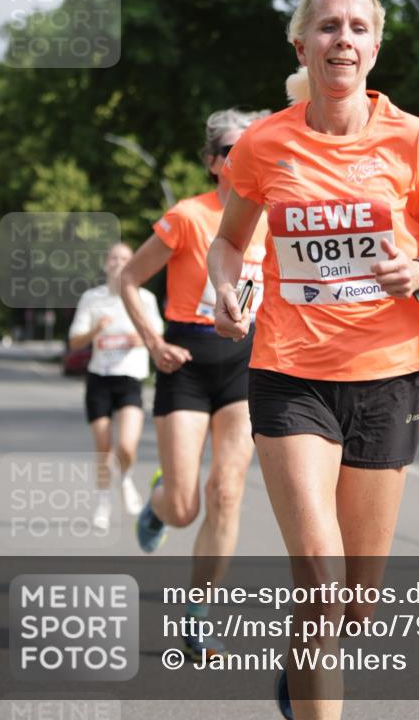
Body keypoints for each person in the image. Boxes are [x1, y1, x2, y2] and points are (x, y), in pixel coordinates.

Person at [207, 0, 419, 719]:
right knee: (320, 579)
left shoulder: (413, 140)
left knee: (354, 605)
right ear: (300, 45)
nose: (343, 37)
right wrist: (228, 290)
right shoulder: (264, 146)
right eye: (327, 25)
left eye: (358, 27)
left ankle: (299, 677)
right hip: (289, 375)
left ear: (373, 49)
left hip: (386, 376)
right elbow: (231, 242)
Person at [120, 108, 268, 659]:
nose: (242, 157)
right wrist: (153, 342)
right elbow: (129, 280)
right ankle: (159, 505)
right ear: (213, 163)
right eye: (231, 151)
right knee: (186, 506)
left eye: (251, 147)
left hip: (245, 366)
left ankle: (200, 607)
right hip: (185, 363)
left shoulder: (274, 219)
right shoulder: (186, 217)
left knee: (226, 492)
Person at [68, 243, 162, 529]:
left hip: (130, 378)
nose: (118, 262)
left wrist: (143, 338)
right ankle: (103, 503)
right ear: (106, 264)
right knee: (103, 447)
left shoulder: (145, 298)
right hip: (99, 378)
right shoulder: (92, 299)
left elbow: (159, 333)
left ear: (133, 262)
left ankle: (125, 478)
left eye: (124, 258)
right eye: (113, 258)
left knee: (126, 445)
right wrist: (96, 330)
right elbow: (74, 342)